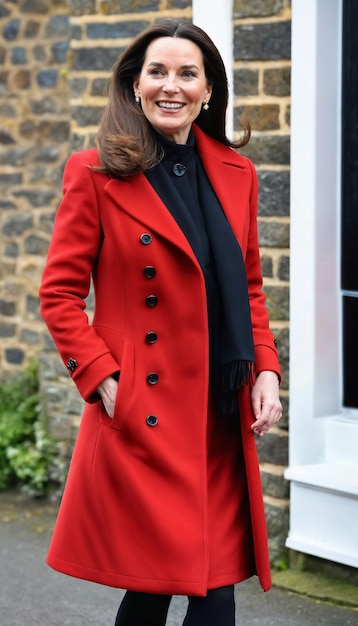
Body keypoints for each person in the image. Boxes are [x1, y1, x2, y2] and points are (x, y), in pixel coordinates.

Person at [39, 18, 282, 626]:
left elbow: (249, 287)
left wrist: (267, 371)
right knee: (152, 588)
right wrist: (102, 380)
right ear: (135, 85)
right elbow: (60, 295)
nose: (170, 86)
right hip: (144, 409)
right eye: (157, 72)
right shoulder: (94, 173)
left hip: (218, 413)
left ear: (207, 91)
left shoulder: (237, 174)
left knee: (216, 588)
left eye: (186, 74)